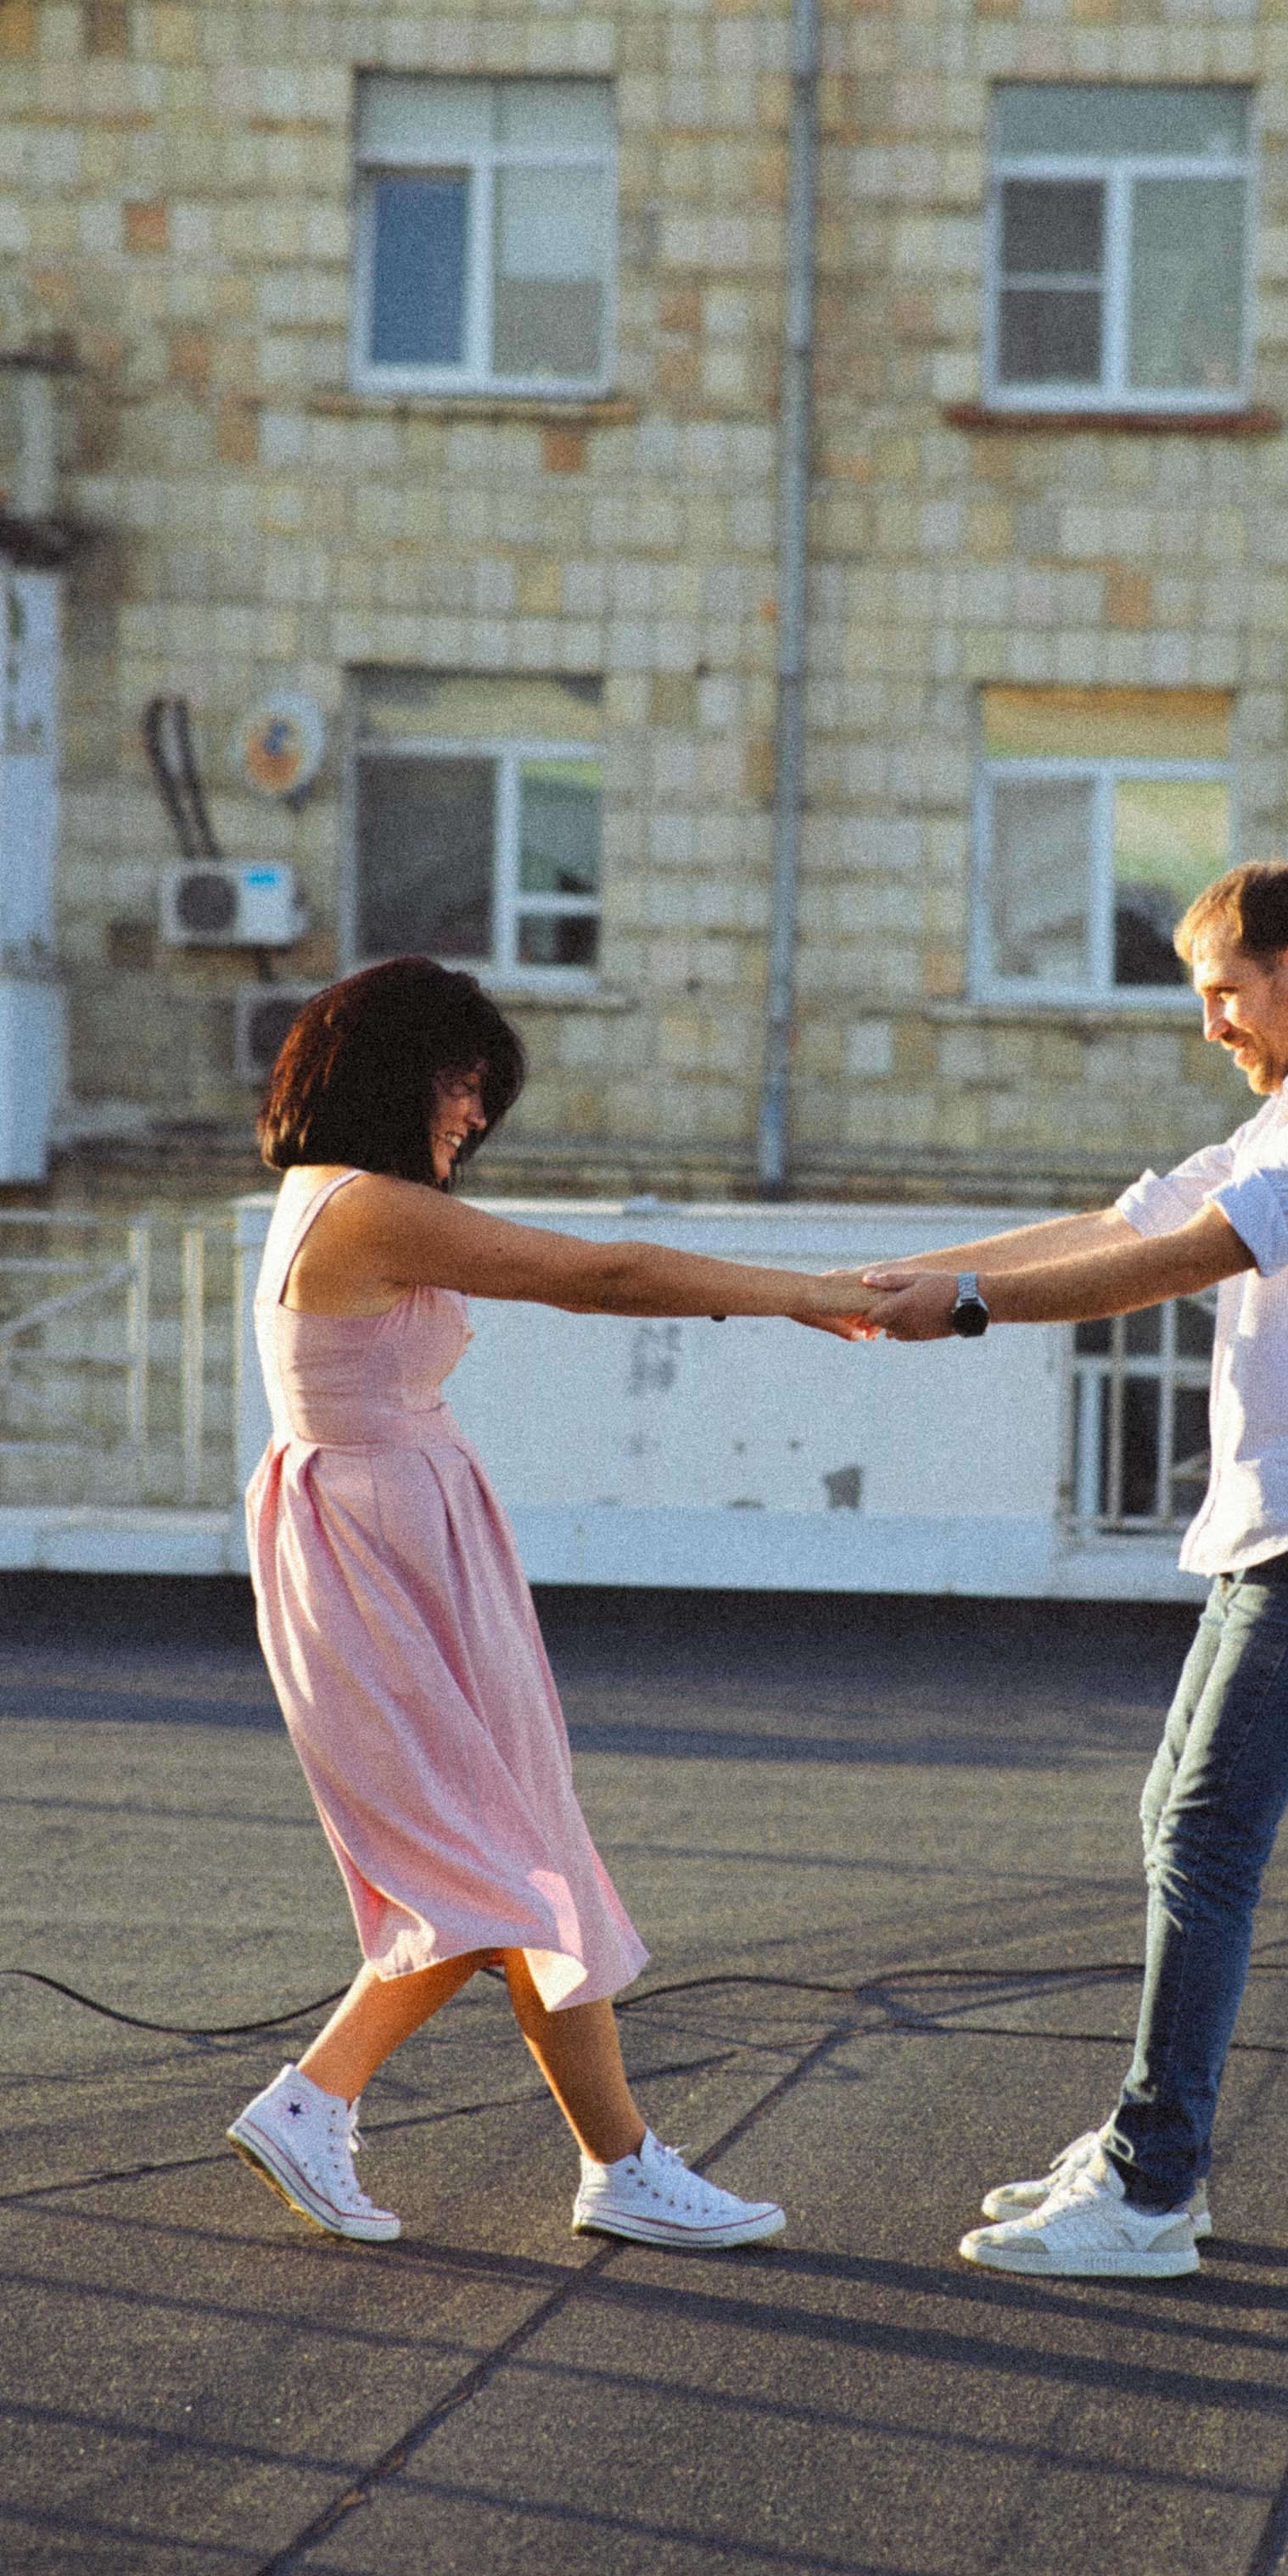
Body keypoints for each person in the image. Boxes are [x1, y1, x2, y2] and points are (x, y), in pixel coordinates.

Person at [854, 862, 1288, 2279]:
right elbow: (1113, 1226)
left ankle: (1149, 2189)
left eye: (1225, 995)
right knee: (1172, 1824)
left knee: (1205, 1844)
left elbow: (1174, 1265)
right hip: (1279, 1532)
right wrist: (890, 1279)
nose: (1213, 1027)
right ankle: (1144, 2153)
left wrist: (969, 1309)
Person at [225, 955, 874, 2252]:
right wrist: (800, 1294)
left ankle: (619, 2162)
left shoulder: (352, 1203)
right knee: (483, 1868)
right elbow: (605, 1276)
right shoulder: (359, 1207)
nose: (472, 1113)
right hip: (381, 1547)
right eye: (461, 1084)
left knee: (531, 1853)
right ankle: (314, 2097)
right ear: (394, 1074)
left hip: (406, 1532)